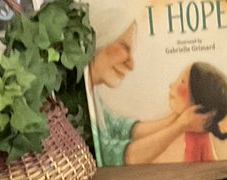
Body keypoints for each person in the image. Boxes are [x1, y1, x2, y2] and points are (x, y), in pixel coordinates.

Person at [86, 14, 214, 164]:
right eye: (124, 46)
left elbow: (123, 129)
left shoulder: (95, 98)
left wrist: (177, 118)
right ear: (99, 38)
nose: (131, 65)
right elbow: (112, 156)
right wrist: (179, 126)